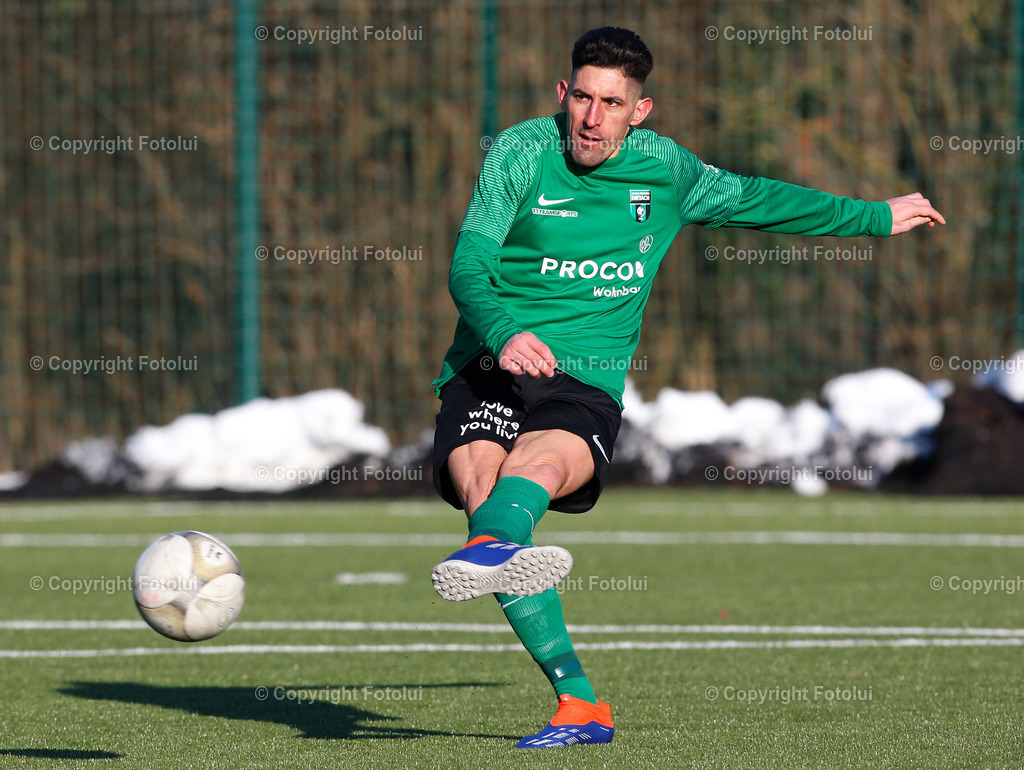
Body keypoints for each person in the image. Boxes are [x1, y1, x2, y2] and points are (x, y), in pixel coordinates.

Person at [429, 26, 945, 749]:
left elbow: (758, 198)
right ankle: (578, 701)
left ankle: (498, 550)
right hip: (488, 358)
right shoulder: (519, 153)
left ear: (639, 111)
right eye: (581, 96)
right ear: (561, 93)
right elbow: (467, 267)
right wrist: (508, 330)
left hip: (584, 377)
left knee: (531, 470)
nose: (591, 118)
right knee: (486, 494)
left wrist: (874, 216)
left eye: (612, 103)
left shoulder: (664, 170)